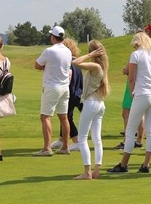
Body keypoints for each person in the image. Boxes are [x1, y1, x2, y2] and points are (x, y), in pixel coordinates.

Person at [108, 32, 151, 174]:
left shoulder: (136, 55)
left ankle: (124, 164)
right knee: (150, 131)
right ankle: (146, 165)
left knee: (131, 130)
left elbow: (131, 78)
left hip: (142, 94)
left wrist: (133, 93)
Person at [72, 40, 109, 179]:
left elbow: (75, 63)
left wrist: (89, 55)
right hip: (99, 104)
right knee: (96, 139)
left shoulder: (95, 66)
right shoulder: (102, 67)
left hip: (91, 103)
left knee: (82, 138)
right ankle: (96, 170)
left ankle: (87, 172)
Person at [33, 26, 73, 156]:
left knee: (45, 117)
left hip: (51, 87)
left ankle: (47, 148)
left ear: (53, 37)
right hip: (65, 87)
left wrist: (46, 66)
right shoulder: (68, 51)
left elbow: (37, 65)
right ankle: (65, 146)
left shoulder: (49, 51)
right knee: (64, 117)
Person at [51, 38, 82, 152]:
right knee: (64, 116)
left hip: (69, 93)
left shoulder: (69, 63)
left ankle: (76, 141)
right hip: (76, 93)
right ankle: (61, 139)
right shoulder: (77, 62)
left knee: (66, 118)